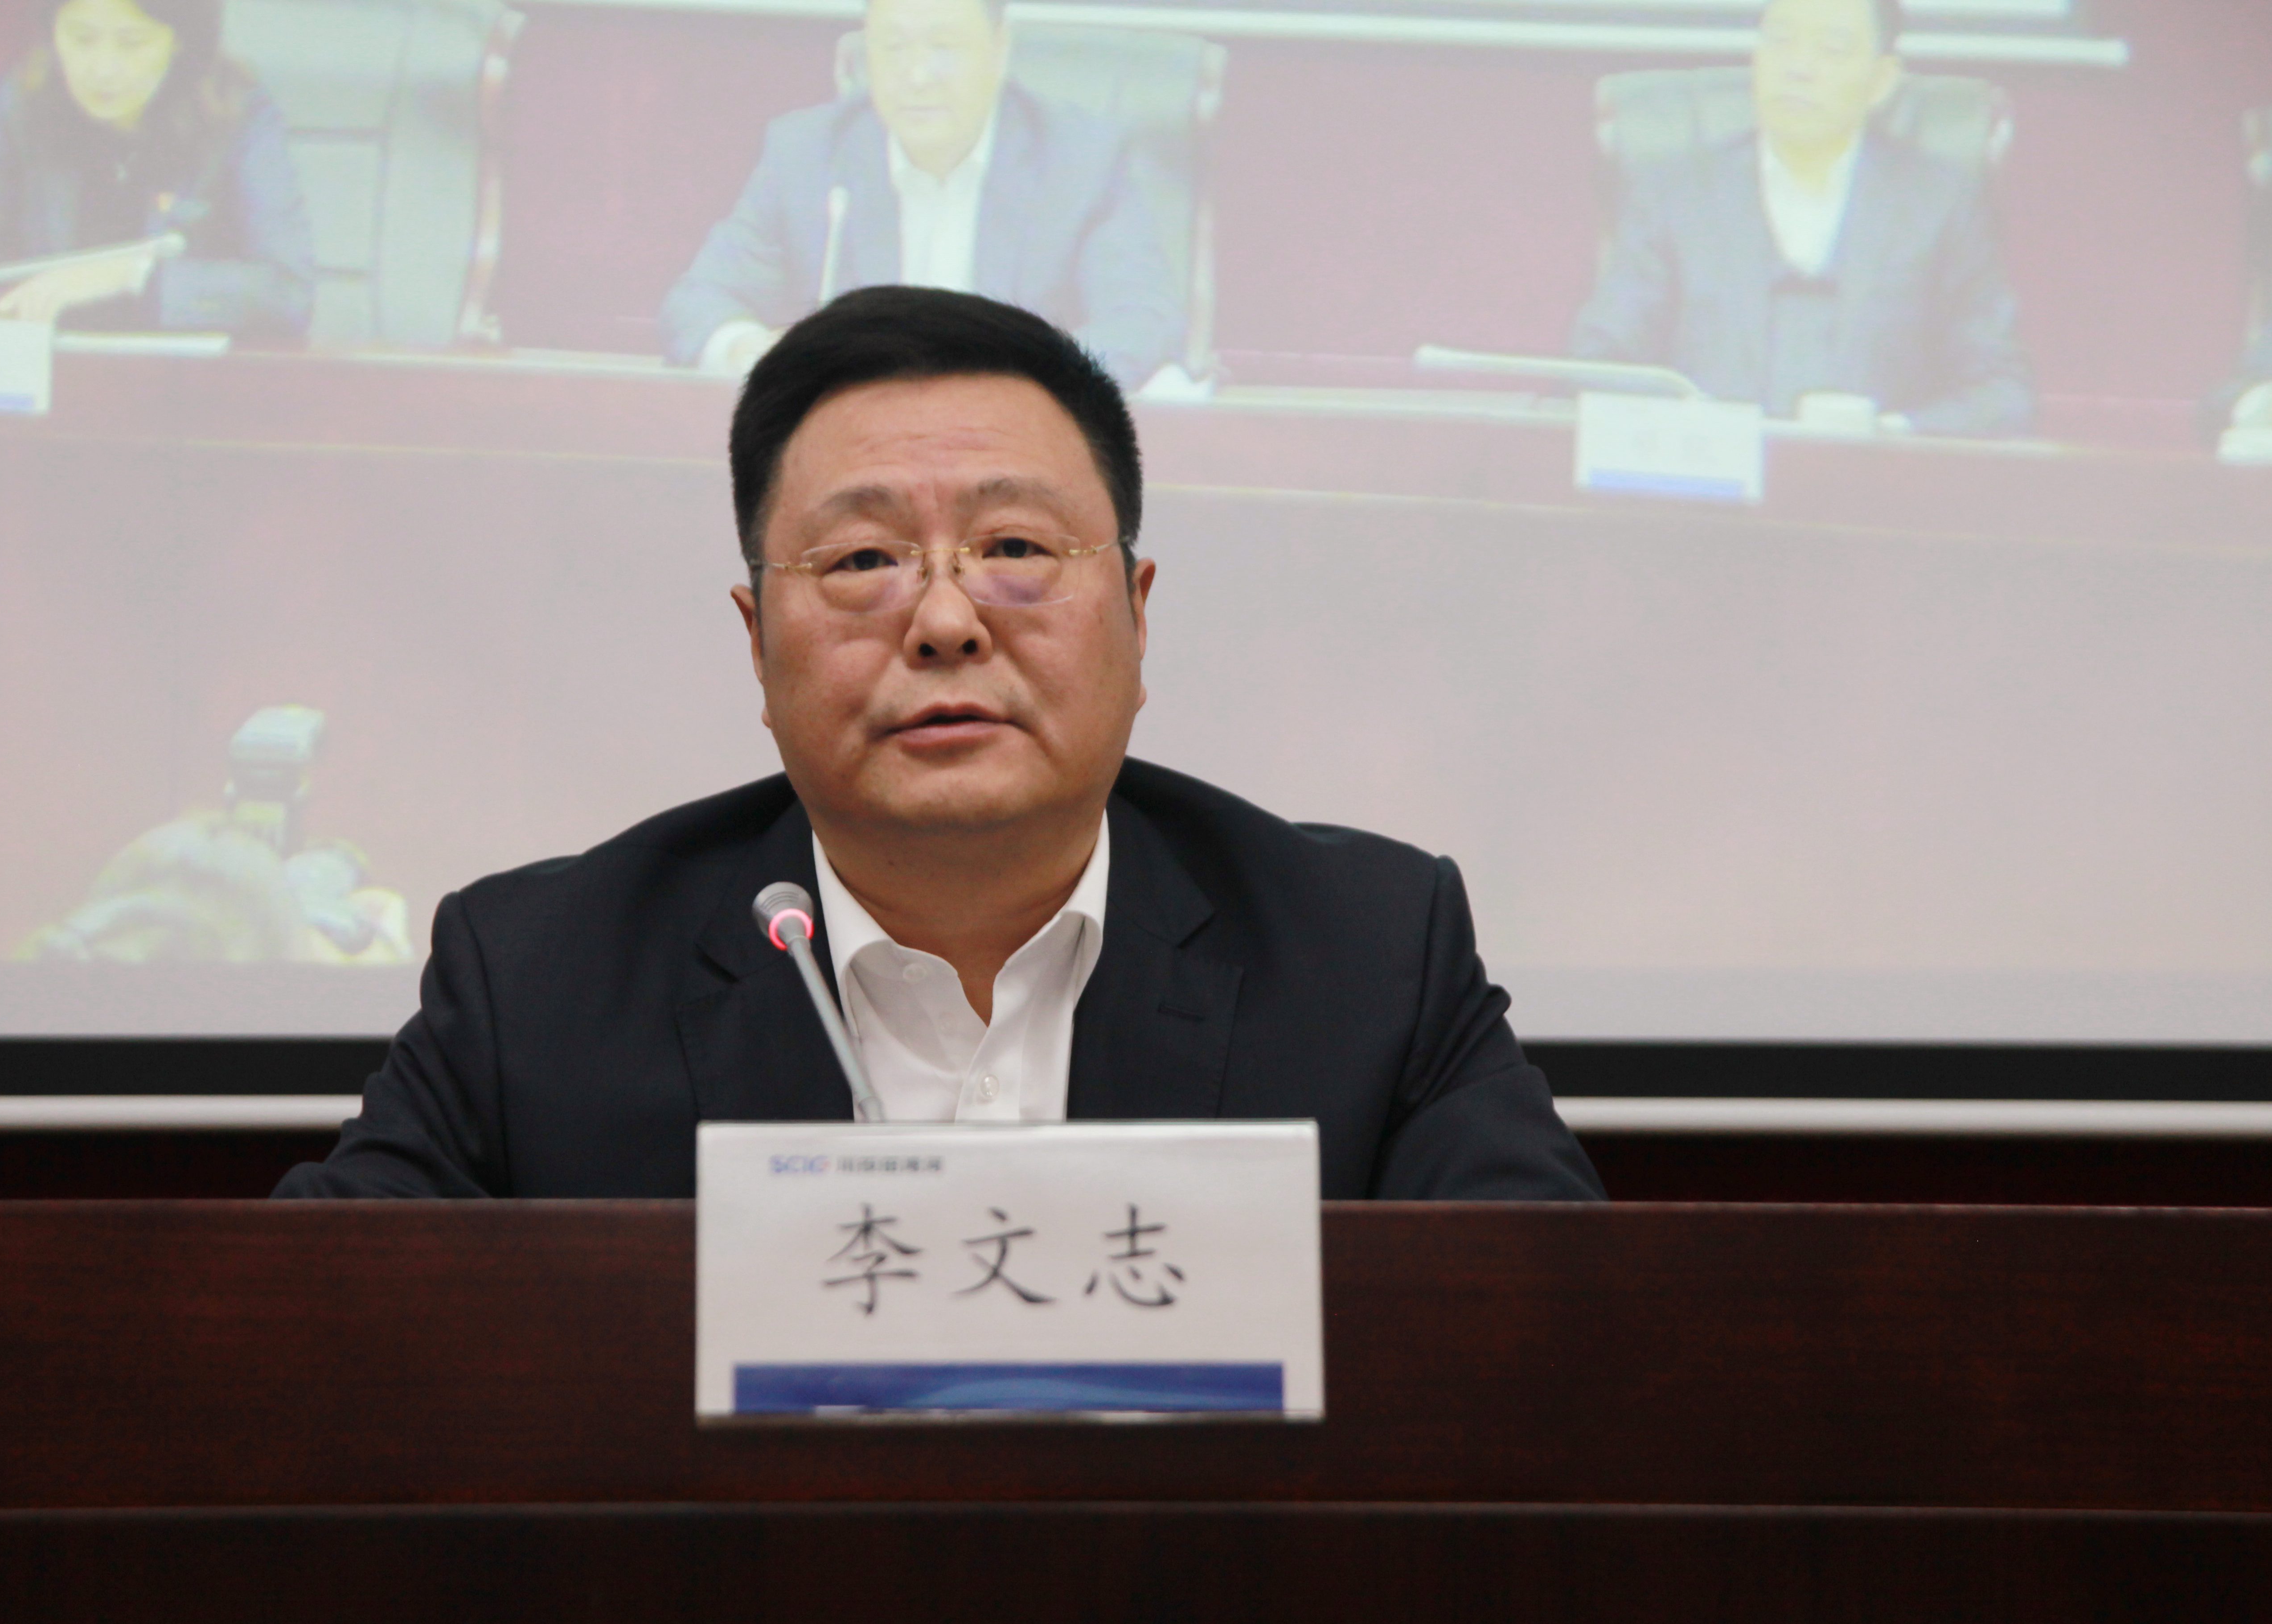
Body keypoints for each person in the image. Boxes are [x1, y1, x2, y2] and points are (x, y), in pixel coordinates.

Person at [277, 286, 1603, 1203]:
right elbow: (305, 1326)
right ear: (756, 639)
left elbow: (1552, 1332)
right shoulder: (540, 982)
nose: (948, 620)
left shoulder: (1368, 955)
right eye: (863, 560)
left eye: (1015, 546)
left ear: (1137, 615)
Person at [658, 0, 1185, 390]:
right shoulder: (808, 156)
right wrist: (752, 352)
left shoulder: (1079, 161)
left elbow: (1140, 321)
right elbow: (699, 303)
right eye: (894, 48)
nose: (917, 76)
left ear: (1000, 49)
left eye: (944, 48)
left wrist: (1020, 379)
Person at [1570, 0, 2033, 436]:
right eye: (1781, 41)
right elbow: (1599, 367)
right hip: (1702, 482)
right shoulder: (1673, 193)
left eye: (1832, 49)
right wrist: (1694, 437)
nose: (1799, 68)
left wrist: (1891, 436)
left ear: (1881, 80)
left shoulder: (1940, 202)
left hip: (1873, 483)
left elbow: (2002, 392)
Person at [0, 0, 311, 339]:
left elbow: (288, 293)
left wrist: (131, 276)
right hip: (55, 382)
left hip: (181, 394)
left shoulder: (238, 115)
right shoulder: (26, 102)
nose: (102, 69)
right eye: (82, 39)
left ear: (180, 40)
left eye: (132, 43)